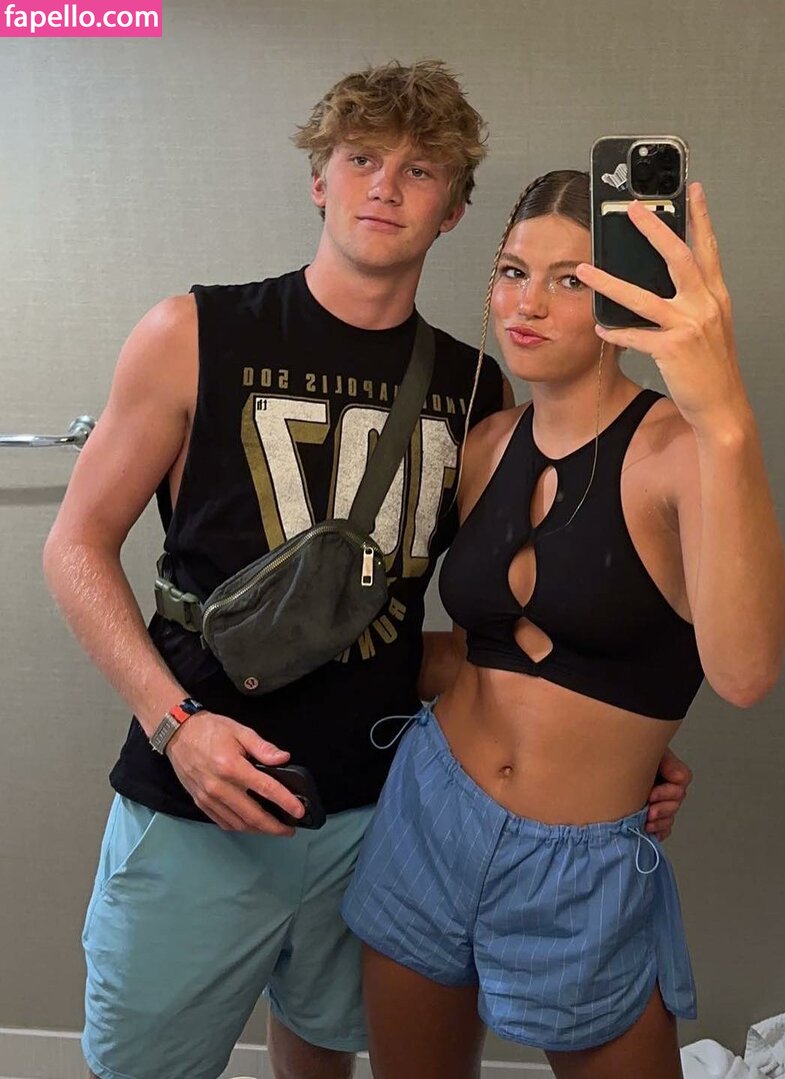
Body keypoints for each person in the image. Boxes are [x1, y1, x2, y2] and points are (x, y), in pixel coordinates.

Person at [42, 66, 695, 1079]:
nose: (385, 185)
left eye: (419, 169)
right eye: (360, 159)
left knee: (324, 1052)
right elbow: (75, 546)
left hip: (379, 809)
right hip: (196, 796)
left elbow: (508, 618)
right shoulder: (194, 334)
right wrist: (176, 726)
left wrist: (608, 737)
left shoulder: (477, 391)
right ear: (320, 178)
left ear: (453, 209)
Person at [340, 170, 785, 1079]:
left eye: (571, 280)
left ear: (624, 297)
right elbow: (475, 654)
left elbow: (744, 673)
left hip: (579, 869)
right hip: (429, 815)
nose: (528, 304)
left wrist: (726, 416)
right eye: (513, 272)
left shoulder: (681, 450)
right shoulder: (484, 445)